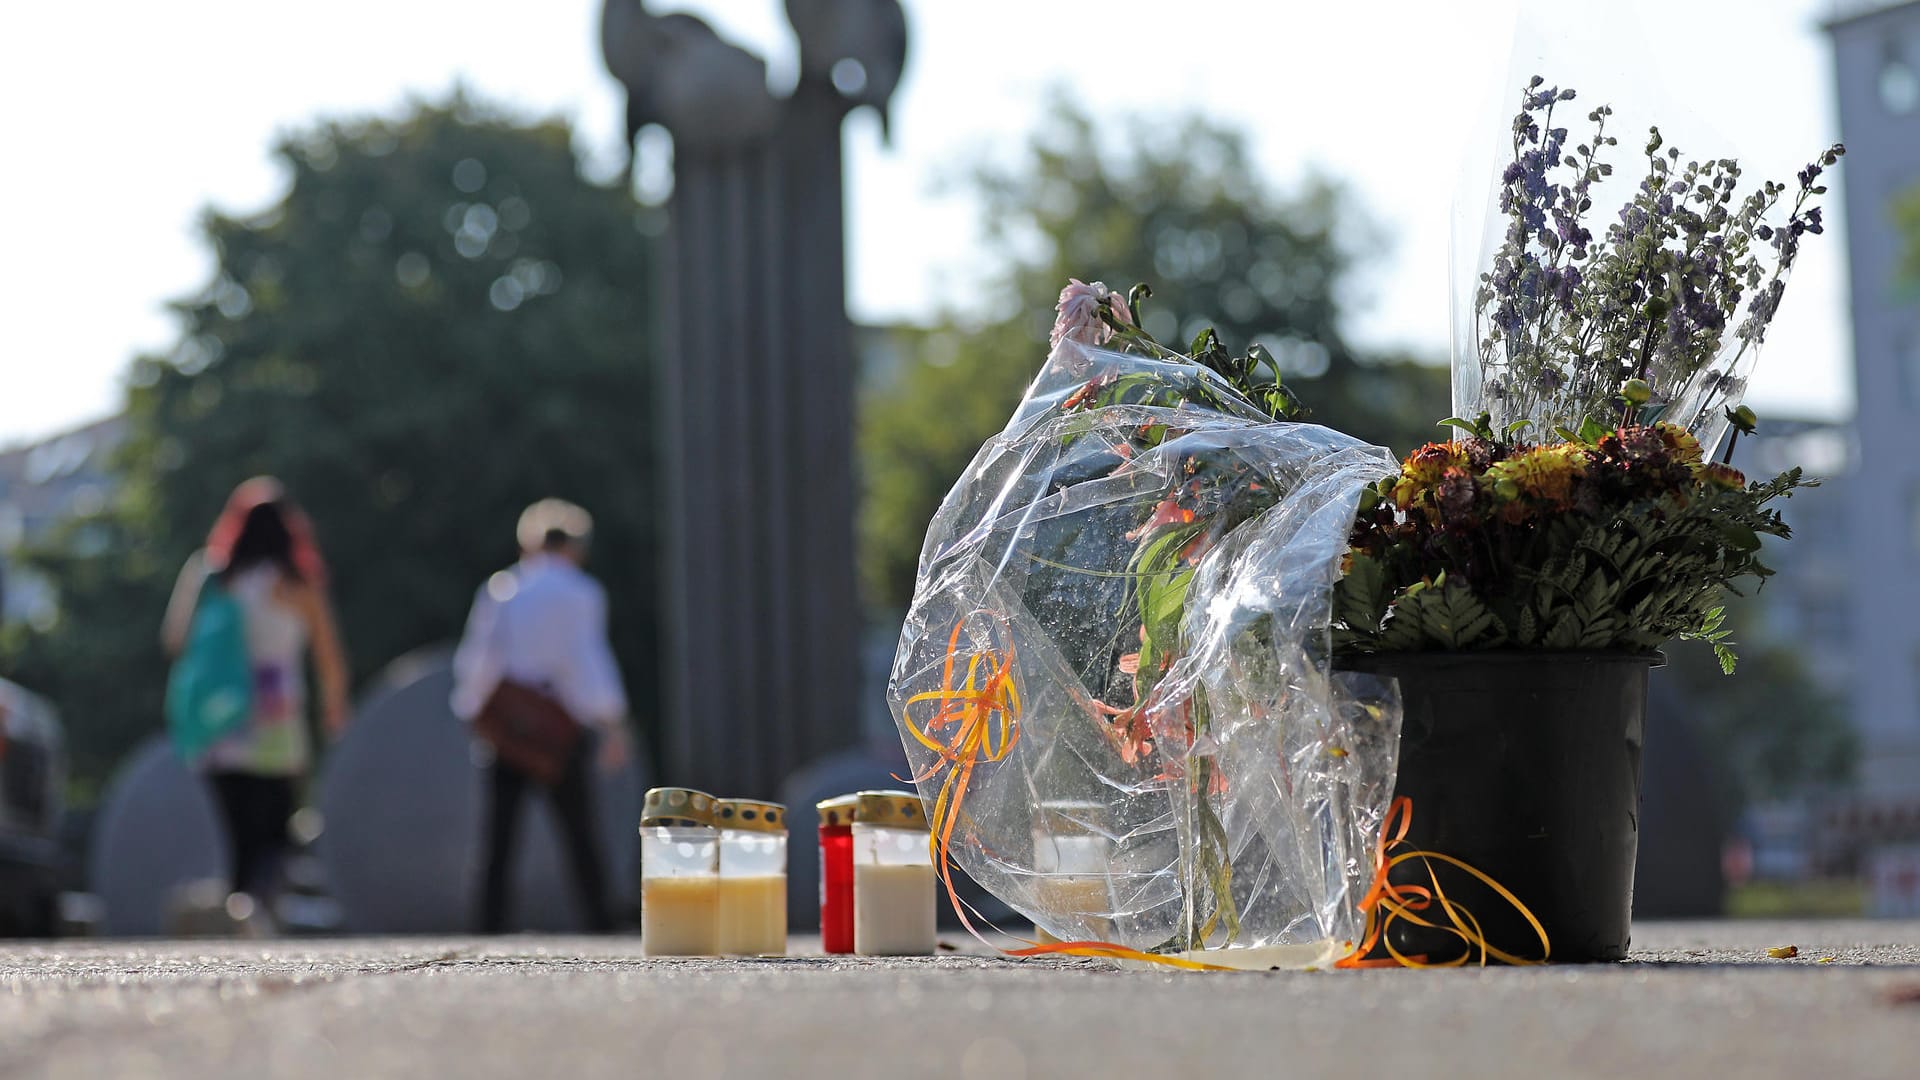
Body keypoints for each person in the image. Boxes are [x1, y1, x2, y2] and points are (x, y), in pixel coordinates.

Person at [162, 477, 350, 918]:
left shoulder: (210, 575)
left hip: (221, 717)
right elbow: (329, 657)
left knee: (235, 830)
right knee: (276, 828)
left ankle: (239, 907)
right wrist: (335, 708)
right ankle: (259, 908)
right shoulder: (299, 584)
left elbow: (175, 640)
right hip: (277, 717)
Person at [451, 498, 630, 933]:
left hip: (511, 733)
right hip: (561, 731)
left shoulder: (502, 589)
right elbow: (587, 662)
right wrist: (612, 723)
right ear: (574, 545)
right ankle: (600, 922)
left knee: (499, 838)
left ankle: (488, 926)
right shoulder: (583, 592)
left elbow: (480, 659)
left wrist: (473, 710)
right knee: (580, 832)